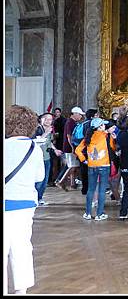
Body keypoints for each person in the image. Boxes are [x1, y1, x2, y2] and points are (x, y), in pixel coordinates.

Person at [4, 105, 45, 295]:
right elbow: (39, 177)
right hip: (25, 204)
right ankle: (21, 290)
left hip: (6, 201)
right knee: (22, 246)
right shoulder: (34, 148)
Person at [75, 118, 116, 221]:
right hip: (104, 165)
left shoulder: (88, 138)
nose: (104, 127)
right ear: (99, 127)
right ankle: (99, 214)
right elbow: (113, 148)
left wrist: (84, 160)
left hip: (92, 165)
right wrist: (113, 139)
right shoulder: (105, 136)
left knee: (91, 190)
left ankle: (88, 213)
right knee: (102, 190)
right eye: (103, 125)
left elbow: (77, 150)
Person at [55, 106, 85, 190]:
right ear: (74, 114)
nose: (81, 117)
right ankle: (61, 181)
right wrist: (73, 147)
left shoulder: (72, 122)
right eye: (79, 115)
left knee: (72, 165)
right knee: (73, 166)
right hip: (69, 147)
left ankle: (72, 183)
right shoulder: (70, 122)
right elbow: (69, 136)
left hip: (70, 147)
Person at [34, 112, 59, 206]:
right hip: (39, 158)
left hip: (47, 157)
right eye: (47, 119)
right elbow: (37, 140)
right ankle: (35, 198)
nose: (49, 121)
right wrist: (47, 132)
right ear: (42, 119)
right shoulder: (38, 129)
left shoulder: (48, 129)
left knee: (45, 179)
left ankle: (40, 198)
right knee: (39, 179)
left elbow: (48, 142)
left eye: (51, 119)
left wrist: (55, 149)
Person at [51, 107, 66, 183]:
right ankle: (54, 177)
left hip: (60, 142)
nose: (57, 113)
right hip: (53, 143)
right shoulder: (52, 120)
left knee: (62, 161)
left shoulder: (63, 121)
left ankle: (61, 177)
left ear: (60, 113)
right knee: (54, 162)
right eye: (55, 112)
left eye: (58, 112)